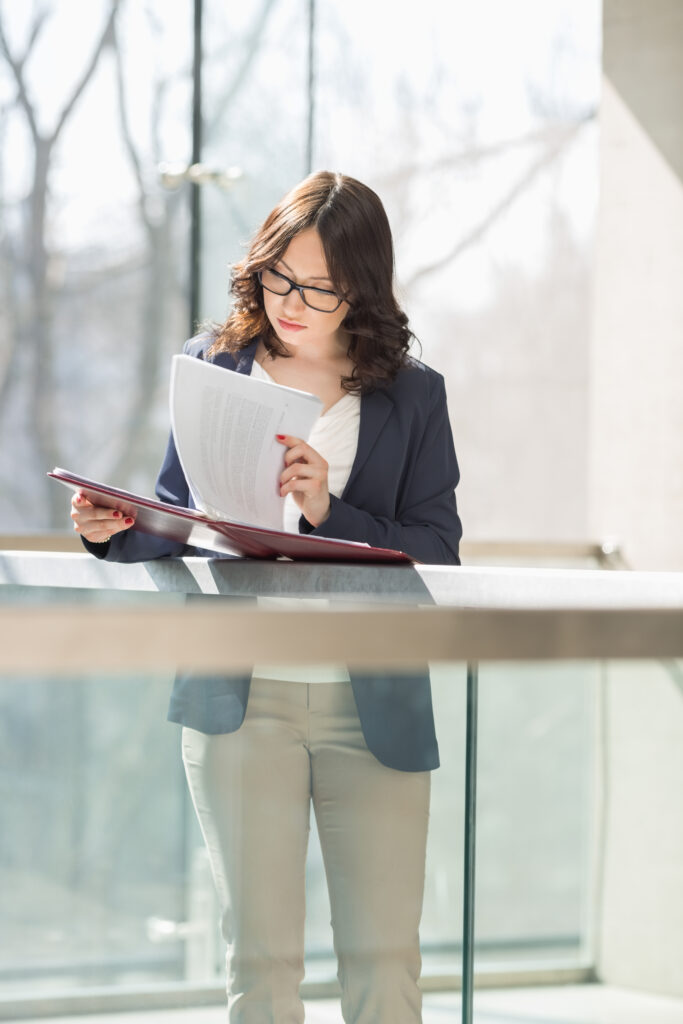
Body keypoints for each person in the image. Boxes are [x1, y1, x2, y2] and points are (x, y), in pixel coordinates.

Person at [71, 171, 462, 1023]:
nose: (292, 300)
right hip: (241, 705)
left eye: (319, 286)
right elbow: (181, 516)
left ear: (358, 286)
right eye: (280, 276)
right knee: (260, 968)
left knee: (385, 971)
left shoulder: (412, 394)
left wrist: (332, 510)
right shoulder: (216, 363)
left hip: (376, 711)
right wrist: (114, 528)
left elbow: (439, 553)